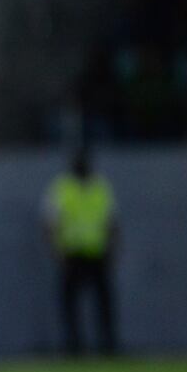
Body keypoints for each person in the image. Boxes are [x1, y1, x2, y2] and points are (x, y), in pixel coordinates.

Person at [43, 149, 119, 355]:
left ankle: (107, 344)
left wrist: (112, 249)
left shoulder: (100, 188)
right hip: (72, 254)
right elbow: (51, 223)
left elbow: (111, 221)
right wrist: (57, 251)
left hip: (97, 253)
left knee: (103, 303)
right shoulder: (63, 188)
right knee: (70, 304)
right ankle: (74, 345)